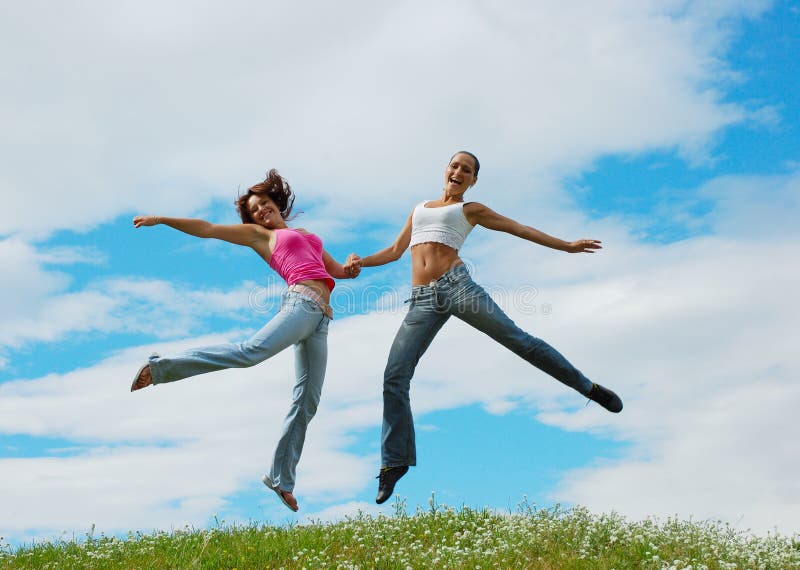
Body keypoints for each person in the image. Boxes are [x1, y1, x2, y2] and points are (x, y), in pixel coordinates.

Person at [346, 151, 623, 505]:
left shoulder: (469, 210)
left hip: (457, 286)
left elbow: (518, 228)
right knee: (394, 376)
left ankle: (588, 387)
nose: (458, 171)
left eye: (467, 169)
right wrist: (360, 263)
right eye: (454, 165)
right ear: (445, 170)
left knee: (520, 342)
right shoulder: (419, 209)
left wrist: (566, 246)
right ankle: (394, 462)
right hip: (422, 300)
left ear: (473, 180)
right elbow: (395, 251)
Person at [130, 169, 358, 512]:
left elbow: (337, 272)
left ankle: (281, 479)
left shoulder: (306, 235)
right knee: (251, 352)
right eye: (254, 209)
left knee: (307, 401)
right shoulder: (259, 236)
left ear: (276, 204)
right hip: (300, 304)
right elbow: (207, 229)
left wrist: (352, 265)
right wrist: (161, 219)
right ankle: (160, 367)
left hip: (321, 320)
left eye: (264, 203)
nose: (261, 211)